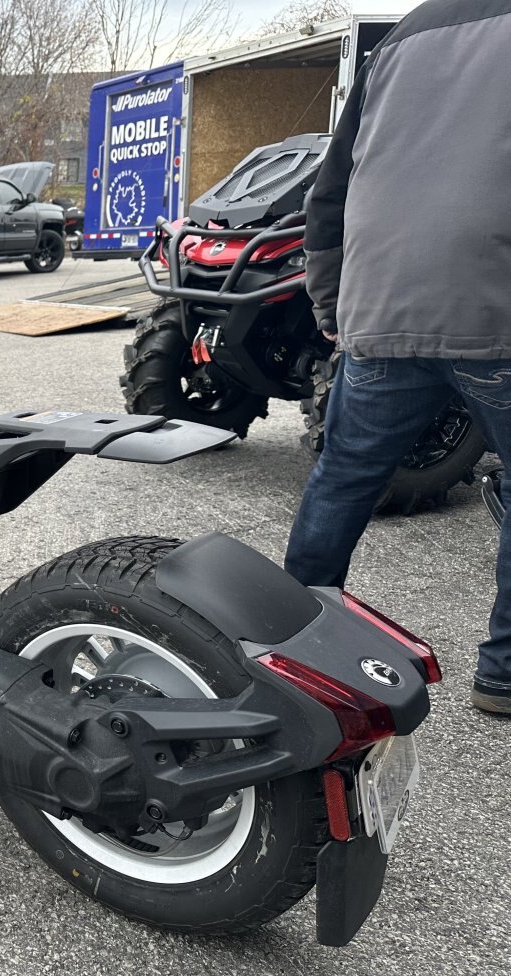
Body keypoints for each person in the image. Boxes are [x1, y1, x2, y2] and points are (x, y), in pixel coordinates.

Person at [284, 0, 511, 714]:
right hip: (494, 310)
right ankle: (503, 673)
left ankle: (285, 647)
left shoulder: (406, 37)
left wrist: (335, 311)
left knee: (343, 477)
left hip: (382, 306)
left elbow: (330, 193)